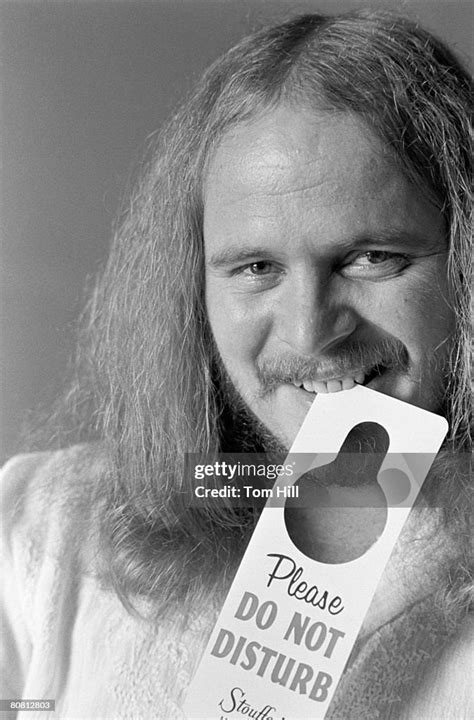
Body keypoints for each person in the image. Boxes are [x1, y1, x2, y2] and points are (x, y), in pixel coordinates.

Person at [1, 9, 472, 720]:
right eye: (256, 267)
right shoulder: (44, 529)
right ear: (195, 289)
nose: (311, 331)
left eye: (373, 257)